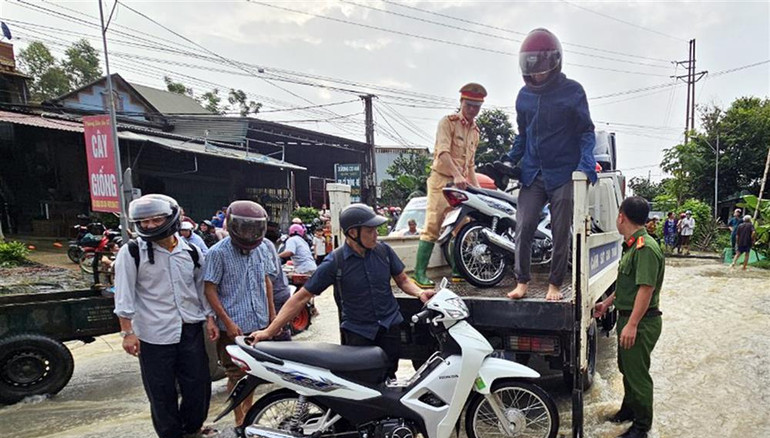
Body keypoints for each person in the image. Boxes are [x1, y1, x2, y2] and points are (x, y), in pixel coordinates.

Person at [250, 204, 434, 379]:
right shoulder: (335, 262)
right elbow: (301, 297)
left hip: (389, 327)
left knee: (389, 377)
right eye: (370, 231)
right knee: (362, 383)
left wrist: (419, 293)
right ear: (353, 233)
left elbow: (402, 279)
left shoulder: (384, 251)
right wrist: (269, 331)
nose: (376, 235)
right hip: (359, 335)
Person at [113, 194, 219, 438]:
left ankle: (192, 426)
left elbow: (199, 289)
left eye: (155, 219)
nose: (149, 225)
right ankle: (169, 436)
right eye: (144, 221)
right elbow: (123, 294)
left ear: (171, 218)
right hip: (152, 331)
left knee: (199, 383)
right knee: (160, 388)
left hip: (189, 327)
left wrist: (209, 318)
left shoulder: (192, 251)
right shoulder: (133, 252)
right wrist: (127, 332)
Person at [504, 28, 597, 301]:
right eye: (533, 68)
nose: (538, 73)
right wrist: (510, 159)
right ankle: (522, 281)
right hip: (533, 173)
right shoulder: (523, 96)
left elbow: (586, 132)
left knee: (560, 230)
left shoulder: (573, 91)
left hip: (563, 173)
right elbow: (523, 134)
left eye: (543, 68)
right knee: (524, 226)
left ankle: (554, 285)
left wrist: (585, 163)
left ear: (556, 63)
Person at [594, 197, 664, 438]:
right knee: (627, 370)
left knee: (638, 375)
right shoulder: (633, 246)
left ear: (622, 216)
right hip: (630, 318)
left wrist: (632, 324)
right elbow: (628, 286)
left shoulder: (645, 248)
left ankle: (642, 427)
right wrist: (607, 303)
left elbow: (646, 289)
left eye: (617, 215)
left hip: (641, 322)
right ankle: (629, 410)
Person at [203, 201, 275, 427]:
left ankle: (249, 414)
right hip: (232, 327)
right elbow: (209, 289)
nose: (249, 233)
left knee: (252, 373)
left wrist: (273, 317)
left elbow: (266, 282)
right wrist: (226, 321)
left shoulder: (262, 248)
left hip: (258, 323)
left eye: (254, 228)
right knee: (235, 374)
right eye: (244, 228)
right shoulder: (218, 253)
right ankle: (239, 420)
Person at [412, 83, 486, 288]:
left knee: (463, 225)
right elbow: (443, 153)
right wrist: (456, 175)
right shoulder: (448, 123)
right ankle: (419, 274)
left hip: (461, 185)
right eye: (469, 105)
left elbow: (470, 165)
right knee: (433, 225)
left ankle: (457, 269)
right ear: (461, 102)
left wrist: (478, 190)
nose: (473, 110)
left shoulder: (476, 131)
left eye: (477, 107)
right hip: (442, 180)